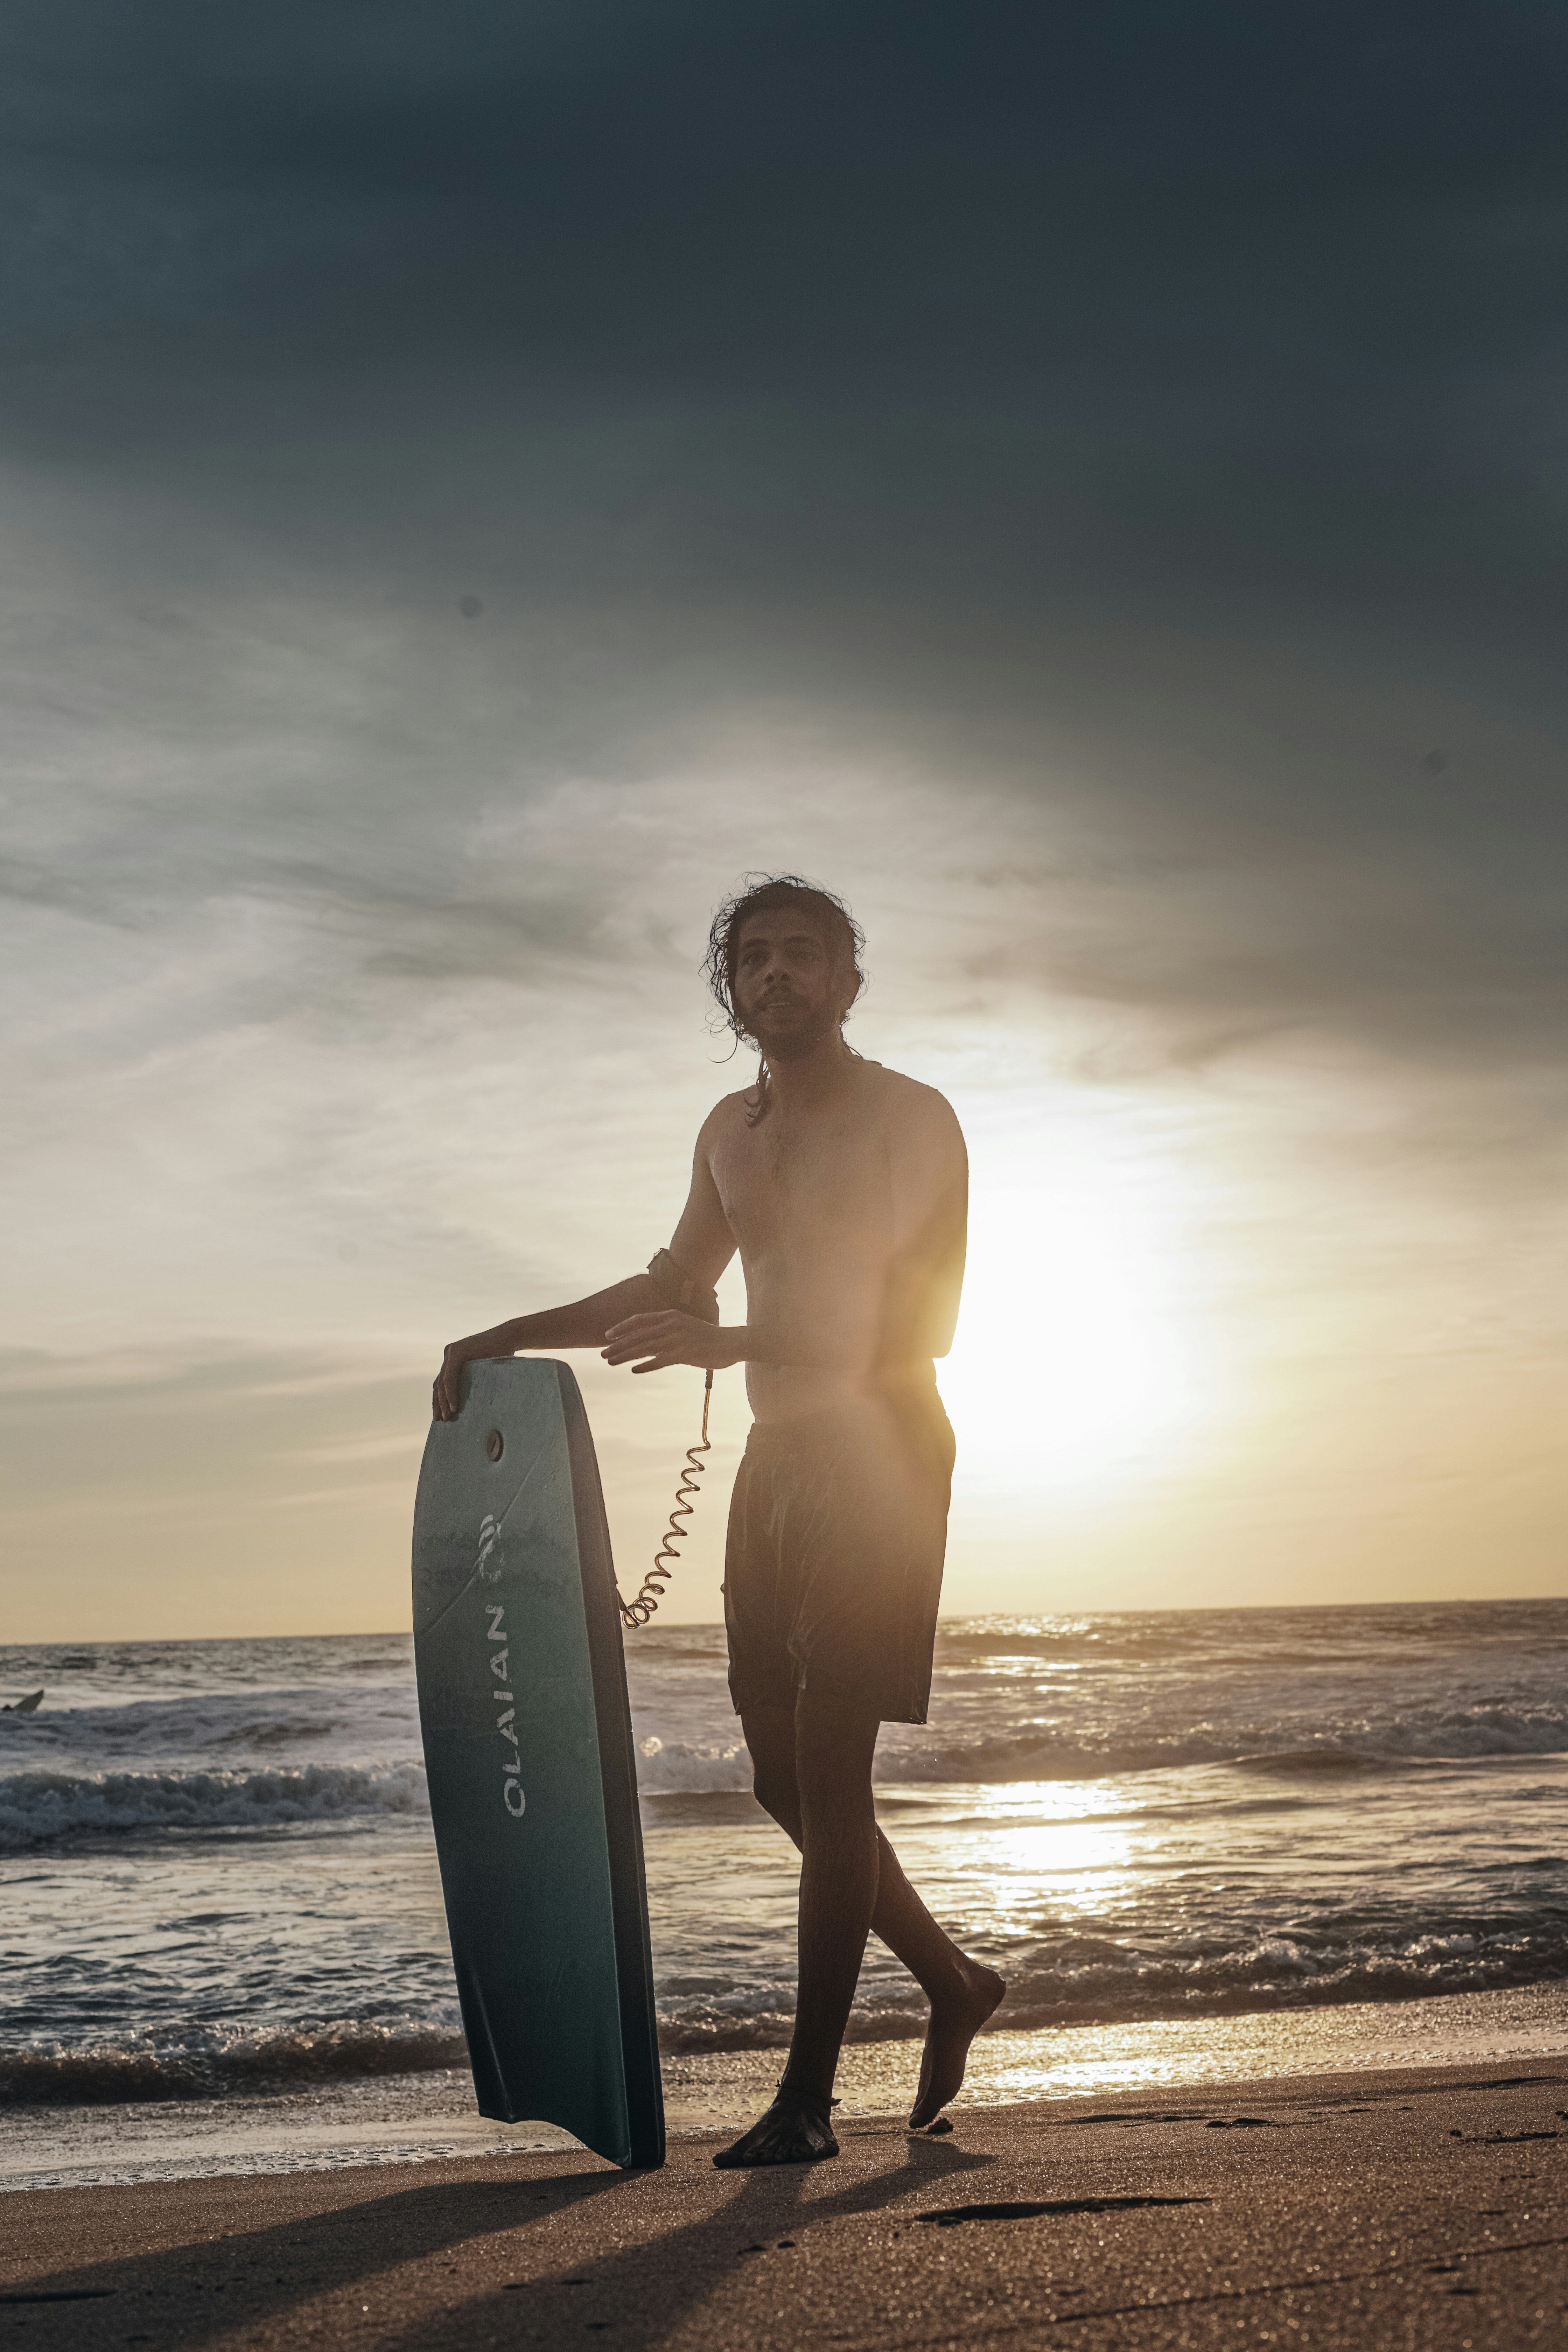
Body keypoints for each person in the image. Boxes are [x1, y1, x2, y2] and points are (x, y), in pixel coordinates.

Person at [432, 874, 1004, 2165]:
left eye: (806, 955)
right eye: (755, 959)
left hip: (885, 1454)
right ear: (731, 991)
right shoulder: (728, 1133)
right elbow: (673, 1280)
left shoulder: (916, 1119)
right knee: (778, 1777)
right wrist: (511, 1333)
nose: (779, 974)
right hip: (777, 1461)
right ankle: (957, 1982)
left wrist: (726, 1336)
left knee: (834, 1768)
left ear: (850, 982)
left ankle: (806, 2102)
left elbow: (929, 1327)